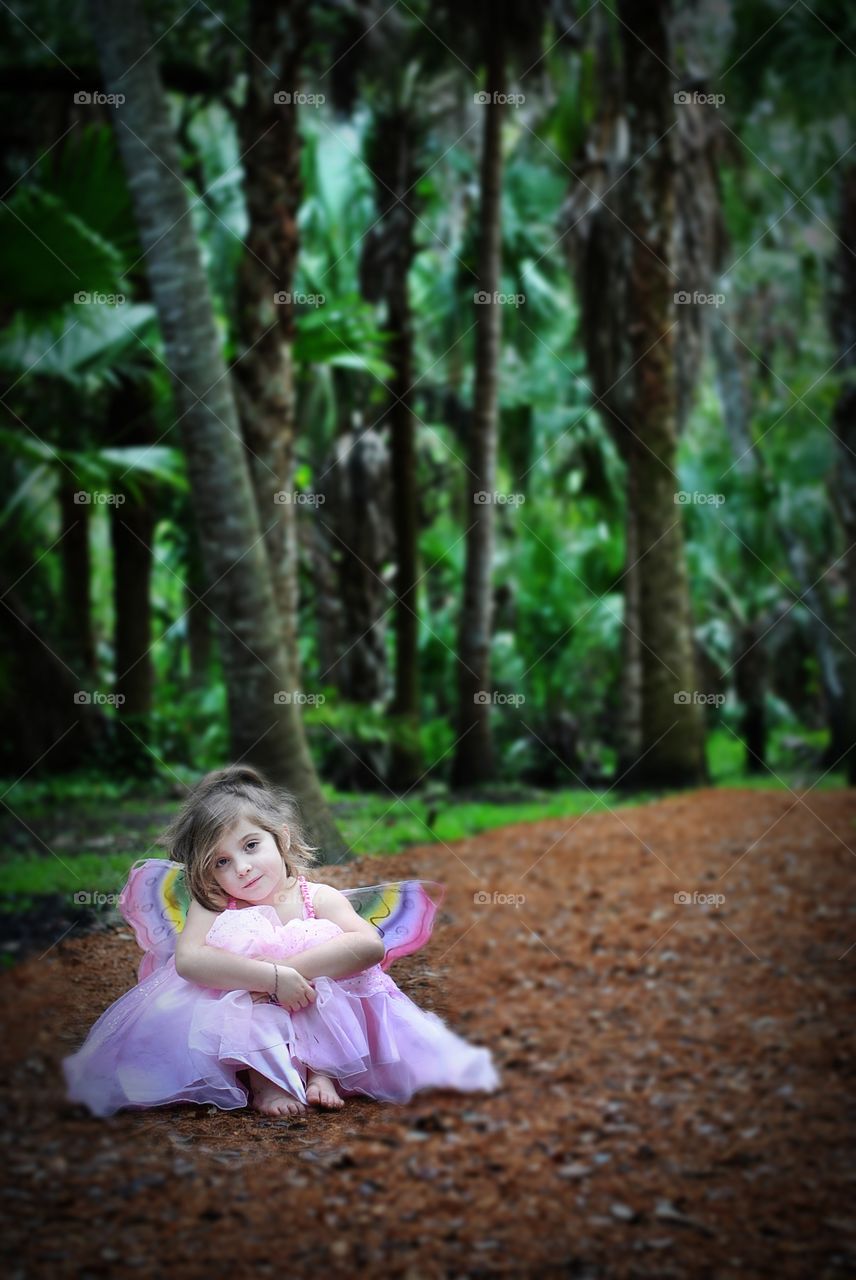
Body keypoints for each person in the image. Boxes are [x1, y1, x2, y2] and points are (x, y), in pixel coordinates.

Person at [62, 765, 501, 1117]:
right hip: (246, 997)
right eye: (221, 861)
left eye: (252, 845)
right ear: (205, 873)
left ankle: (323, 1072)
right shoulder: (216, 904)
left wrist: (292, 973)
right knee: (238, 1007)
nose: (243, 869)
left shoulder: (317, 897)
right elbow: (190, 960)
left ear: (281, 838)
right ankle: (267, 1082)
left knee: (329, 990)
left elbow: (371, 947)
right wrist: (270, 978)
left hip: (307, 995)